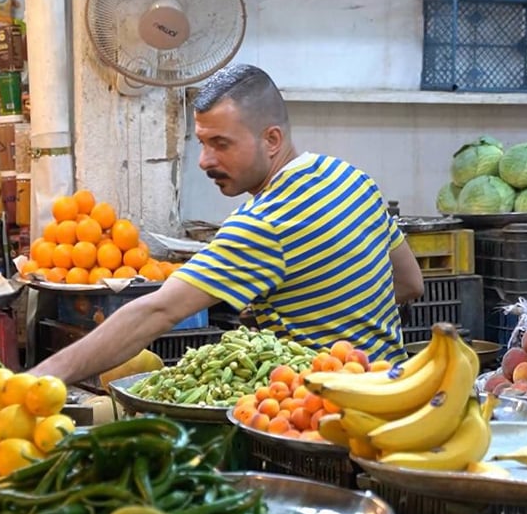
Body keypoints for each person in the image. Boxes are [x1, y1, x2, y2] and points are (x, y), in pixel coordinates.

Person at [33, 64, 424, 384]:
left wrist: (43, 376)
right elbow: (410, 284)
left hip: (323, 410)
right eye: (201, 142)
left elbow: (155, 313)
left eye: (221, 144)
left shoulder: (264, 222)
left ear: (271, 140)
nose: (204, 160)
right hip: (393, 389)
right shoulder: (351, 178)